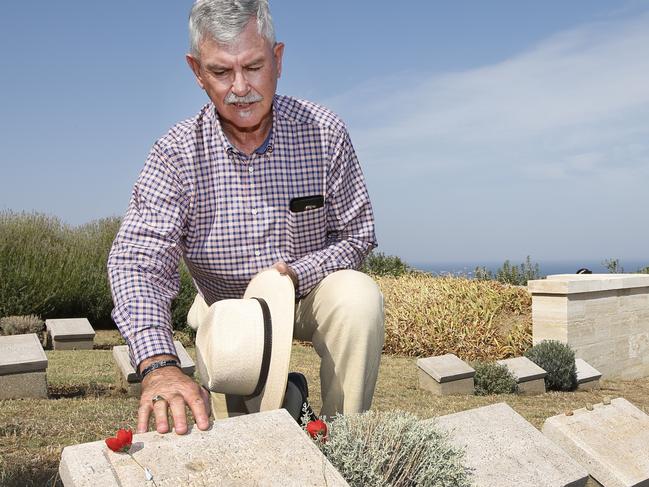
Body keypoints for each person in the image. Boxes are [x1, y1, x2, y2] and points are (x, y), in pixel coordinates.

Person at [107, 0, 384, 435]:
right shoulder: (175, 154)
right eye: (220, 72)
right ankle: (270, 403)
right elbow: (138, 260)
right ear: (197, 72)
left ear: (277, 60)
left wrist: (295, 274)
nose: (240, 88)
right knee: (235, 428)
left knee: (358, 297)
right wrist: (159, 365)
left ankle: (344, 441)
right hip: (225, 308)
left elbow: (356, 234)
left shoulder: (325, 132)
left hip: (305, 295)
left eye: (253, 67)